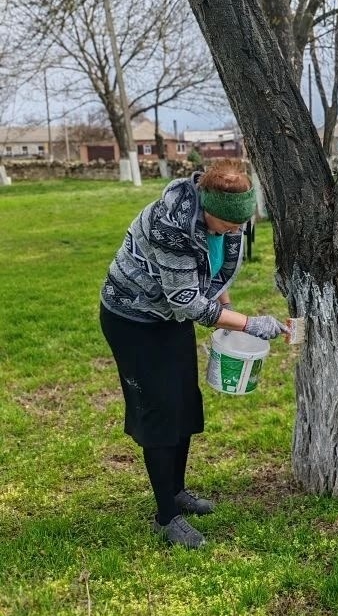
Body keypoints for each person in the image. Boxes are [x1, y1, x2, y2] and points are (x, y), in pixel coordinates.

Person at [100, 159, 286, 549]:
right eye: (229, 225)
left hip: (168, 317)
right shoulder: (171, 226)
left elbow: (212, 270)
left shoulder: (227, 219)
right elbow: (186, 301)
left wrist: (225, 305)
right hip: (133, 318)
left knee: (184, 403)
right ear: (207, 210)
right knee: (160, 412)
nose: (236, 231)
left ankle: (177, 491)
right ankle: (166, 517)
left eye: (240, 225)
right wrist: (249, 323)